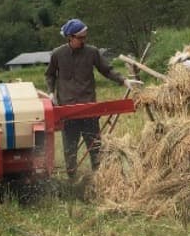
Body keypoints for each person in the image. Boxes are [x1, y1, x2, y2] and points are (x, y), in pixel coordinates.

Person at [46, 18, 140, 177]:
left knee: (95, 147)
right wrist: (50, 92)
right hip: (68, 110)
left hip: (89, 107)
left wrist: (123, 80)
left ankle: (99, 178)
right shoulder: (58, 54)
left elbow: (107, 70)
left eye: (85, 37)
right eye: (80, 38)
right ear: (70, 37)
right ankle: (72, 180)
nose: (83, 41)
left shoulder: (92, 52)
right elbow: (50, 75)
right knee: (70, 149)